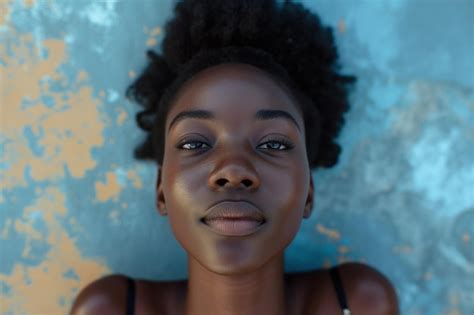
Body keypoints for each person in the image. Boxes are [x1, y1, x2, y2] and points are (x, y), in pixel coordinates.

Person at [71, 0, 399, 314]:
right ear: (160, 190)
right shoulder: (109, 309)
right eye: (195, 144)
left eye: (273, 144)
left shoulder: (358, 304)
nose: (233, 169)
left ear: (309, 192)